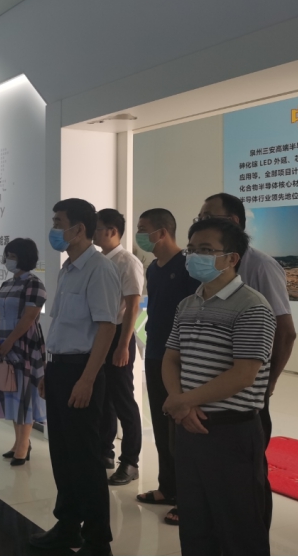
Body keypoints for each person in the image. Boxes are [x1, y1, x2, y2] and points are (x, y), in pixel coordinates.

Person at [162, 218, 275, 555]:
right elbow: (171, 358)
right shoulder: (187, 304)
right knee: (195, 524)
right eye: (192, 249)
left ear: (232, 258)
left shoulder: (253, 306)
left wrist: (183, 401)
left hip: (230, 433)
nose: (195, 256)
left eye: (206, 250)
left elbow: (244, 374)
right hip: (189, 427)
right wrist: (180, 402)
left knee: (239, 528)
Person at [197, 192, 296, 527]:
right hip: (208, 393)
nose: (202, 222)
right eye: (200, 217)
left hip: (245, 395)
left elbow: (286, 332)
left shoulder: (261, 266)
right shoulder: (206, 273)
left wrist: (267, 384)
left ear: (234, 222)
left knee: (247, 479)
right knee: (212, 472)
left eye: (209, 216)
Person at [30, 198, 120, 556]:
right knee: (63, 455)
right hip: (59, 368)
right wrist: (48, 371)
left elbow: (107, 327)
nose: (54, 229)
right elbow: (62, 325)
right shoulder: (68, 268)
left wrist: (87, 379)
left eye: (58, 222)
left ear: (79, 228)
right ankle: (67, 526)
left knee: (85, 458)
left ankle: (98, 540)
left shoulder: (100, 269)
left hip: (82, 370)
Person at [134, 208, 199, 526]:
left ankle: (189, 499)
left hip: (180, 358)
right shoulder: (154, 269)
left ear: (162, 232)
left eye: (143, 228)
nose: (139, 234)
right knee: (161, 424)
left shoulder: (187, 266)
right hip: (156, 353)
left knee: (180, 429)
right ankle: (168, 487)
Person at [92, 209, 144, 485]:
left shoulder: (128, 261)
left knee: (123, 399)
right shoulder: (99, 260)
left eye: (97, 228)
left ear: (112, 231)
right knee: (103, 397)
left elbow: (133, 305)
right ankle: (105, 451)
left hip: (119, 336)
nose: (93, 233)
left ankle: (130, 461)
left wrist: (123, 345)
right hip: (101, 335)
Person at [0, 238, 47, 466]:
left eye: (12, 256)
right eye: (7, 255)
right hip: (5, 347)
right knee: (12, 393)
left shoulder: (34, 283)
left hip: (25, 346)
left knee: (25, 395)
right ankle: (19, 442)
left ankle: (23, 445)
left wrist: (10, 342)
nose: (8, 260)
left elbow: (29, 318)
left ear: (24, 258)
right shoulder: (6, 285)